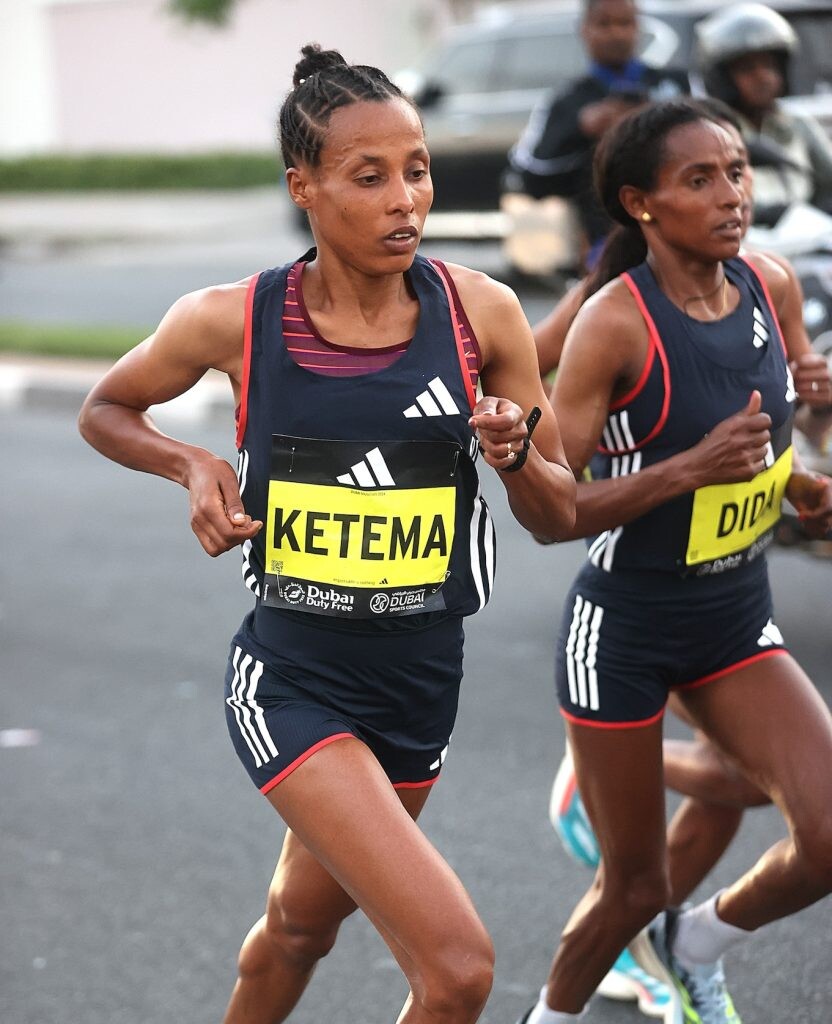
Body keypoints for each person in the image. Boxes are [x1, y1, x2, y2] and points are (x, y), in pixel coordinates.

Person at [77, 44, 576, 1024]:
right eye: (369, 176)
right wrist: (192, 465)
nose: (406, 199)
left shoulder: (483, 314)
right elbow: (106, 407)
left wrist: (516, 455)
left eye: (417, 169)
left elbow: (559, 515)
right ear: (302, 186)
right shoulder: (232, 319)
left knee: (300, 926)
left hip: (420, 683)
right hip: (293, 679)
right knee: (458, 971)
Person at [516, 98, 832, 1024]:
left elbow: (777, 428)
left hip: (735, 618)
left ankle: (694, 948)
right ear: (640, 203)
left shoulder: (771, 284)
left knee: (826, 833)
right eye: (700, 179)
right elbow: (553, 511)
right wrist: (691, 468)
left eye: (736, 172)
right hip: (625, 628)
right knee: (633, 887)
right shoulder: (613, 325)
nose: (732, 195)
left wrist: (800, 479)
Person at [505, 0, 688, 268]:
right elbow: (530, 176)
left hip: (682, 233)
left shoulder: (675, 85)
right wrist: (581, 129)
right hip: (608, 246)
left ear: (638, 26)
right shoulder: (569, 100)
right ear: (584, 29)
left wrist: (655, 117)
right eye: (604, 24)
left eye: (625, 23)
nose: (616, 33)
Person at [695, 2, 832, 217]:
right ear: (721, 78)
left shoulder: (797, 124)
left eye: (769, 66)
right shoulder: (710, 133)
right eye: (747, 69)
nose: (763, 77)